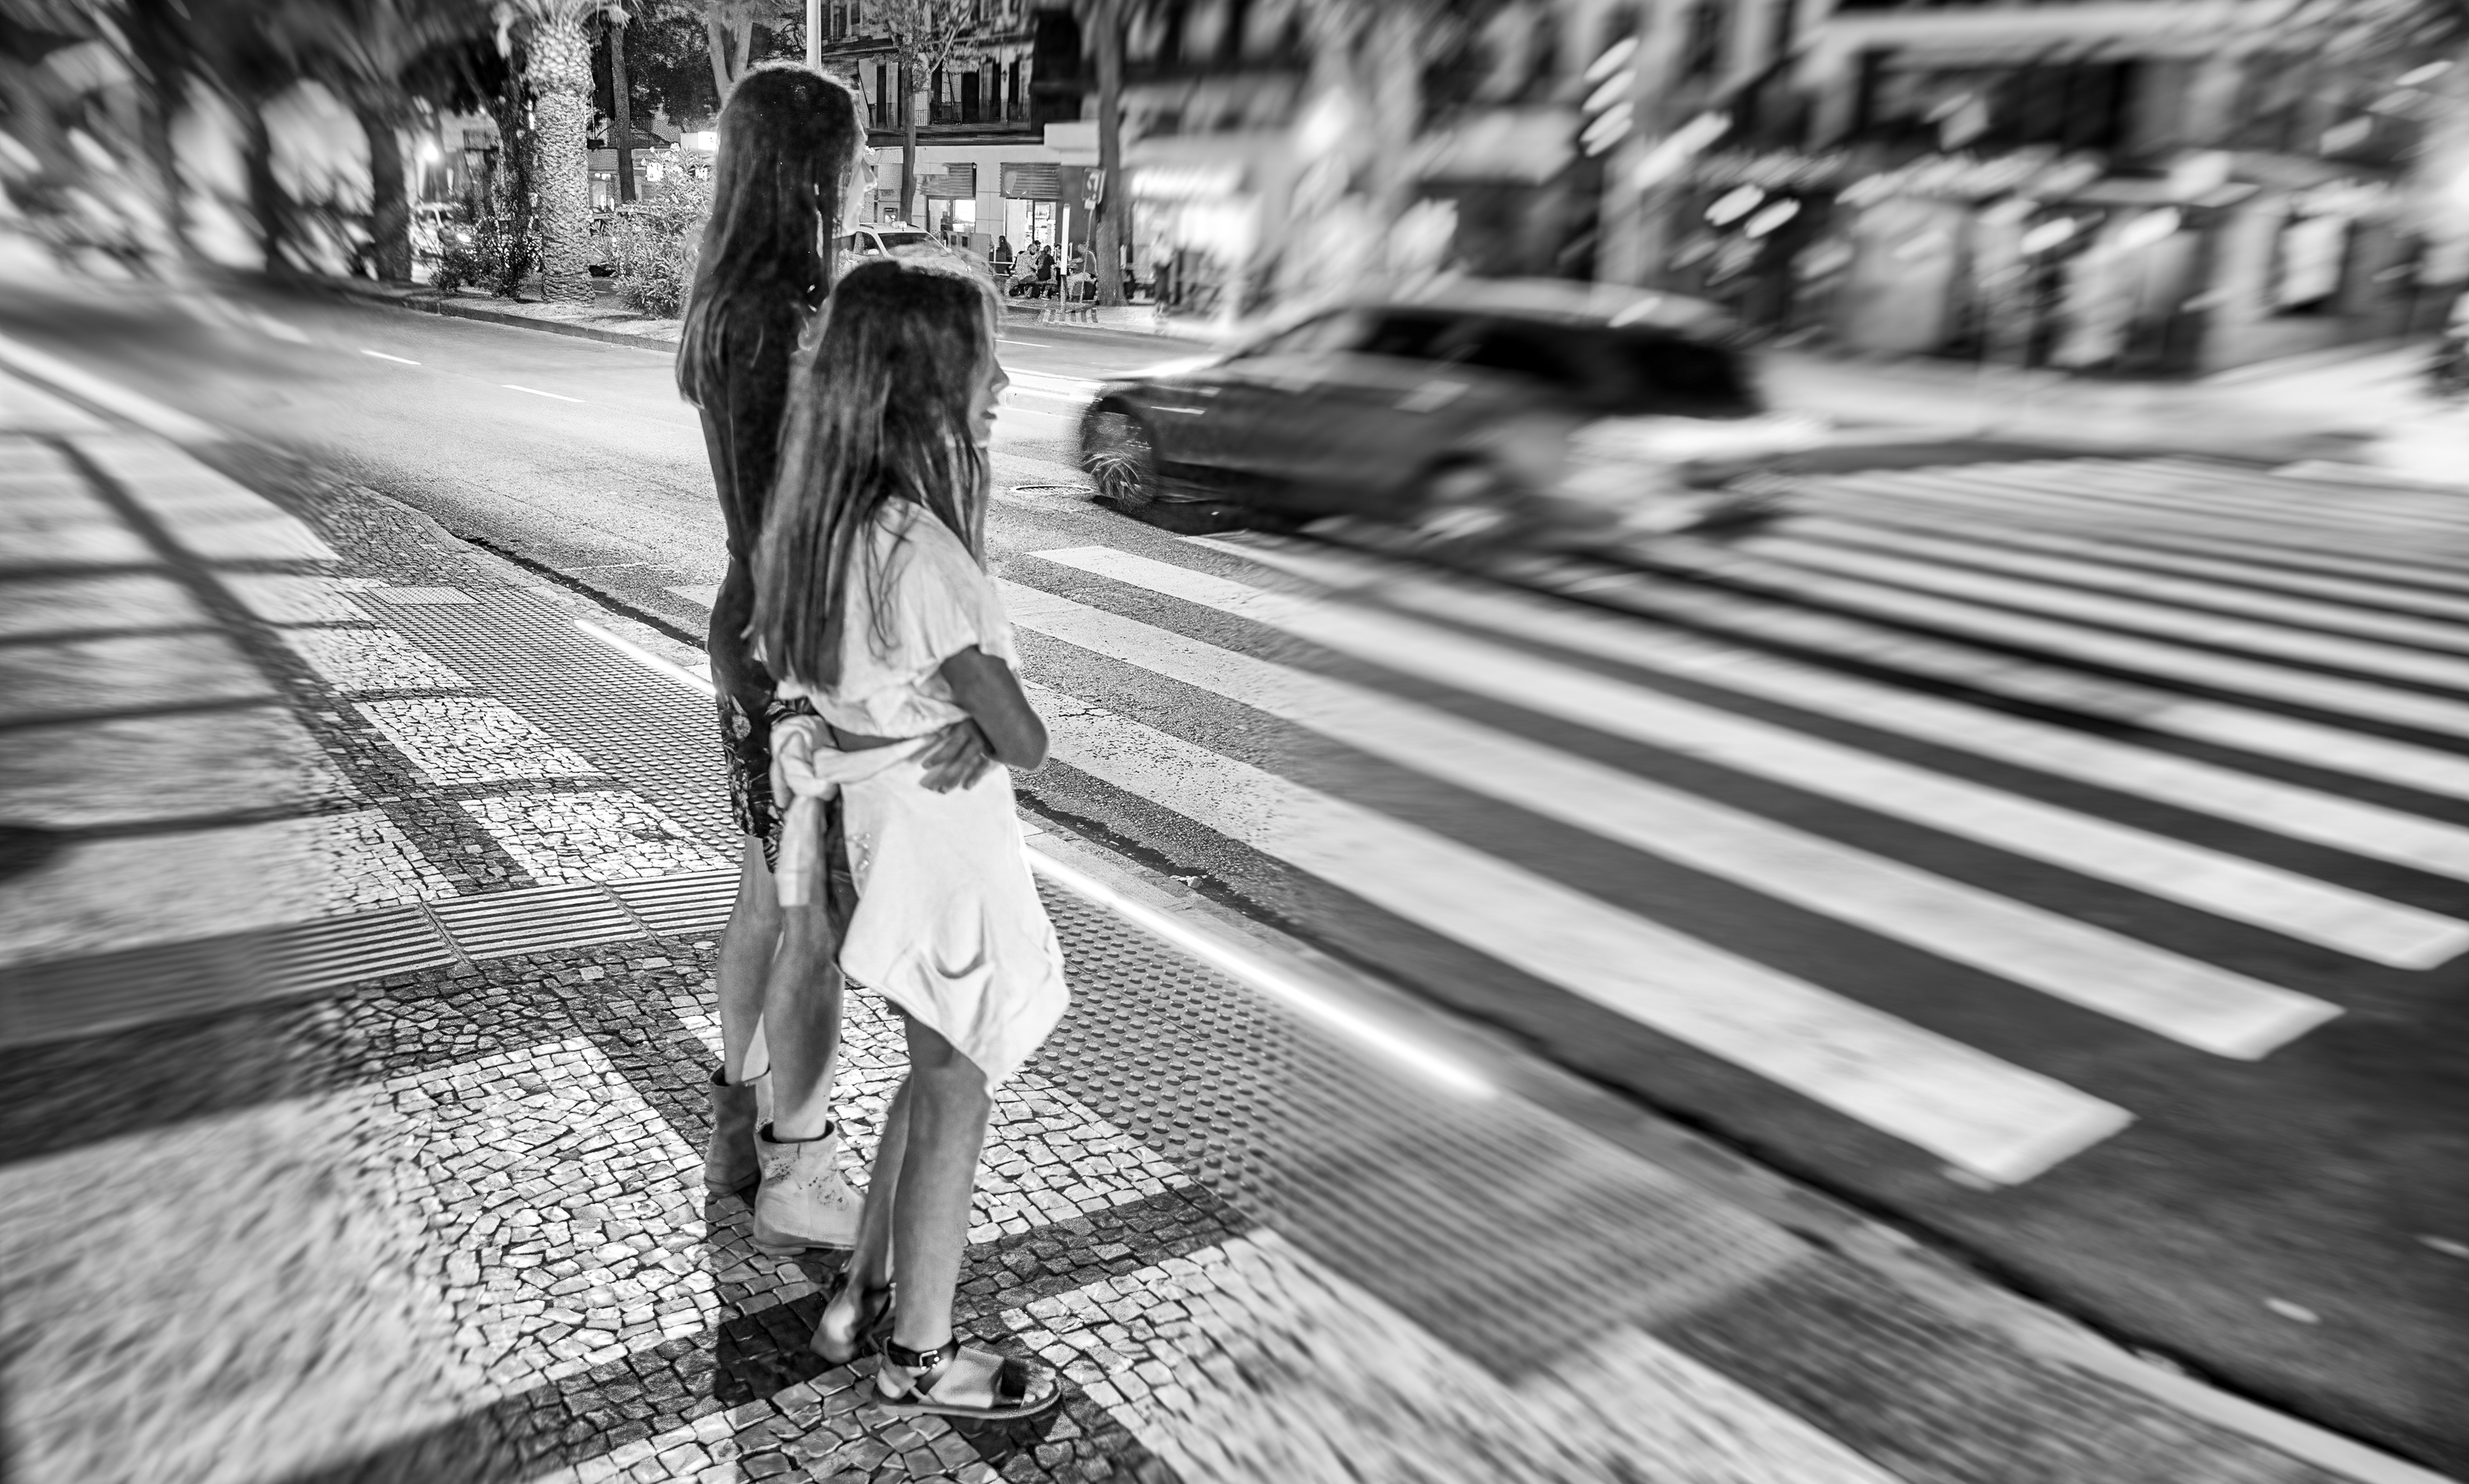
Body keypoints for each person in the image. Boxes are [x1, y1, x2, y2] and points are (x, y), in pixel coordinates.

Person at [674, 63, 988, 1252]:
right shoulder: (771, 315)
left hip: (752, 624)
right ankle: (795, 1168)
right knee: (808, 915)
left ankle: (740, 1117)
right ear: (810, 165)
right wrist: (822, 667)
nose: (852, 177)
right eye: (847, 157)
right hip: (786, 638)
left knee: (765, 890)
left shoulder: (732, 298)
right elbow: (776, 511)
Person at [752, 256, 1068, 1419]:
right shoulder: (922, 555)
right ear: (927, 380)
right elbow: (1024, 736)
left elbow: (860, 690)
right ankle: (921, 1355)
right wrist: (991, 730)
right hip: (946, 850)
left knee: (930, 1070)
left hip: (884, 829)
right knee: (954, 1087)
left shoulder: (830, 527)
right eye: (984, 354)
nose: (1002, 377)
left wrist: (962, 725)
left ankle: (859, 1290)